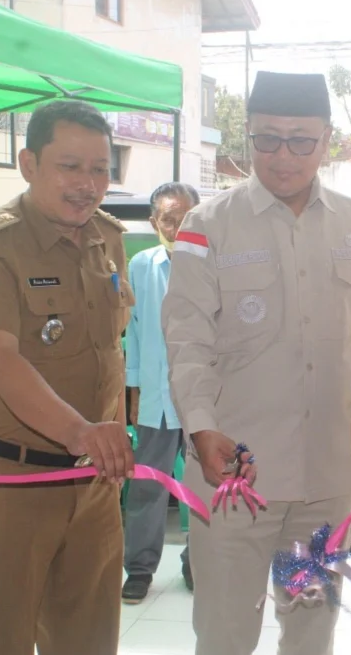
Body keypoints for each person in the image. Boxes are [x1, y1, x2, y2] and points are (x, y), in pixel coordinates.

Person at [162, 70, 351, 655]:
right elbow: (187, 342)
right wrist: (202, 427)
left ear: (327, 140)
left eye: (300, 140)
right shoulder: (205, 227)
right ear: (248, 138)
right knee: (225, 632)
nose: (283, 156)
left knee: (312, 629)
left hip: (326, 482)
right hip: (236, 479)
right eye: (267, 139)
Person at [0, 99, 135, 655]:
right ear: (28, 164)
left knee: (90, 642)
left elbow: (109, 356)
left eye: (100, 168)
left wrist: (108, 442)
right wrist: (83, 433)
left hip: (91, 484)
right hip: (6, 484)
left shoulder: (107, 239)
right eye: (70, 166)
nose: (87, 184)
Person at [121, 182, 198, 604]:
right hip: (155, 399)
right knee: (147, 488)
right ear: (154, 222)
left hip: (205, 401)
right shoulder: (140, 266)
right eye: (170, 218)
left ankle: (197, 562)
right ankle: (139, 569)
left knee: (205, 487)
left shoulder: (213, 264)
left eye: (187, 217)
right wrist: (132, 395)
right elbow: (131, 333)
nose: (178, 226)